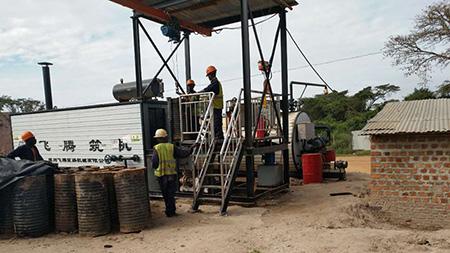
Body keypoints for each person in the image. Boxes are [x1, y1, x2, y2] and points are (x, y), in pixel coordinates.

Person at [152, 129, 198, 217]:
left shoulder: (156, 148)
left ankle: (168, 211)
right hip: (171, 175)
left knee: (165, 194)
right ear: (166, 137)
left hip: (161, 176)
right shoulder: (171, 147)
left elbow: (154, 163)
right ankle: (171, 211)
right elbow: (183, 154)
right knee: (171, 194)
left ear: (157, 139)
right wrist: (192, 148)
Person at [200, 65, 224, 140]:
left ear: (211, 75)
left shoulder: (215, 83)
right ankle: (218, 136)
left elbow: (207, 89)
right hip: (217, 106)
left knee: (216, 122)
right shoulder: (216, 83)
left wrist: (199, 93)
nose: (208, 78)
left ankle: (218, 136)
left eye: (208, 76)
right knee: (216, 122)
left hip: (217, 106)